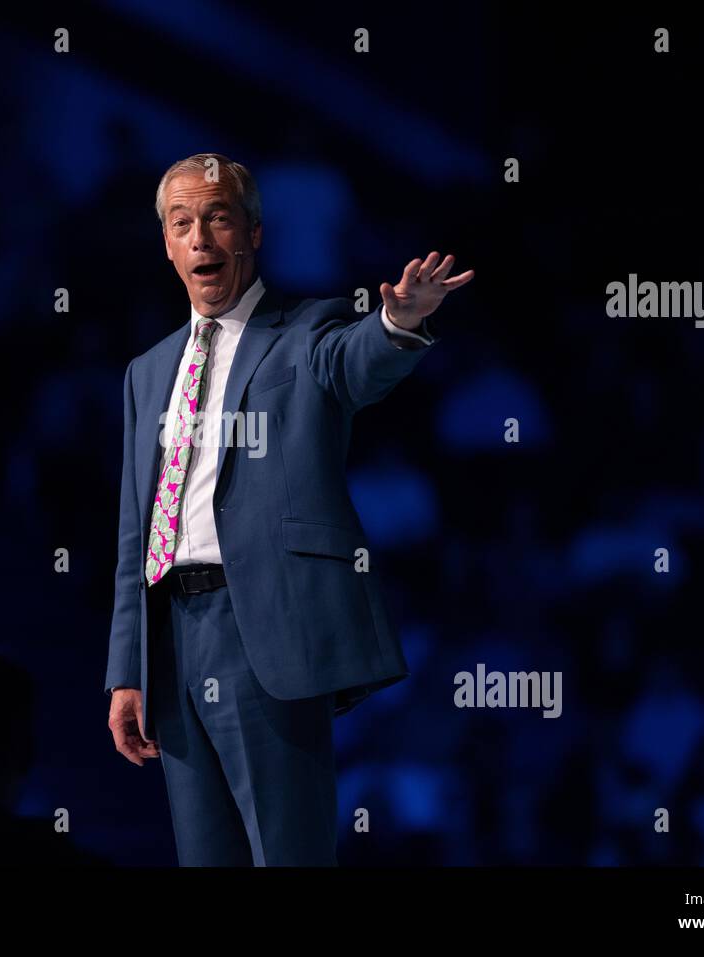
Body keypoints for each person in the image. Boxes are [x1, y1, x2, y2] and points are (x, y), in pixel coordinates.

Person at [104, 153, 474, 866]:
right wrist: (127, 670)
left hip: (263, 631)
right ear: (167, 244)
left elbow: (355, 363)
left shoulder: (304, 332)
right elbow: (133, 534)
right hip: (171, 645)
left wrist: (397, 321)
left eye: (218, 219)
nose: (202, 239)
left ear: (255, 233)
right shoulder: (145, 371)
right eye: (183, 224)